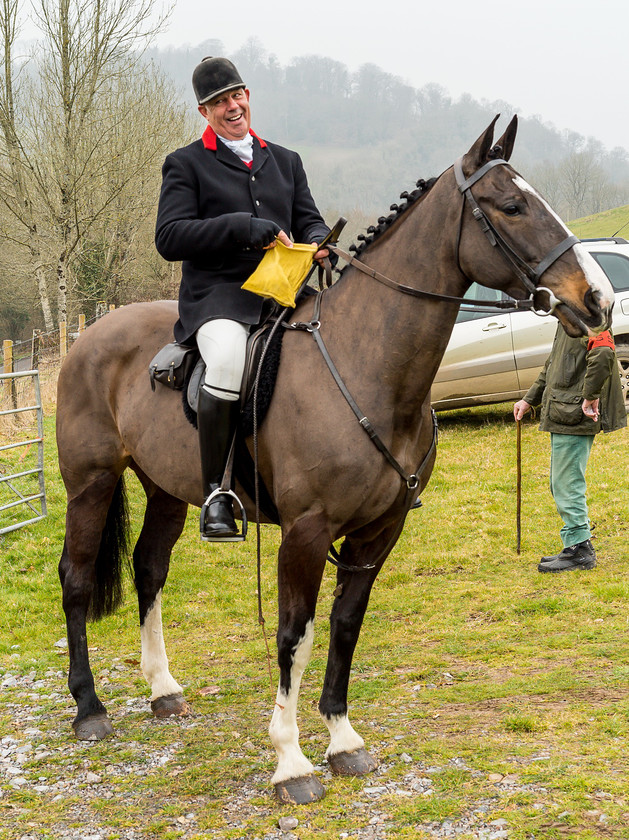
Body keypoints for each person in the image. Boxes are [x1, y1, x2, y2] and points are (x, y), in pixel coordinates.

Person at [155, 57, 331, 542]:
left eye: (236, 96)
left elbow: (308, 218)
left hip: (282, 294)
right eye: (219, 102)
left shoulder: (285, 159)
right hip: (218, 299)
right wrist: (240, 229)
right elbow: (168, 237)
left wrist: (320, 240)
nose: (232, 107)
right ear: (204, 111)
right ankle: (217, 494)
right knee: (229, 361)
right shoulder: (186, 163)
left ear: (247, 95)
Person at [513, 325, 626, 573]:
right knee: (560, 482)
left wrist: (590, 395)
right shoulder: (567, 315)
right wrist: (529, 399)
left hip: (573, 411)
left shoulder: (585, 313)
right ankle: (575, 544)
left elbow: (605, 353)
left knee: (567, 483)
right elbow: (553, 364)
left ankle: (580, 550)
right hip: (563, 409)